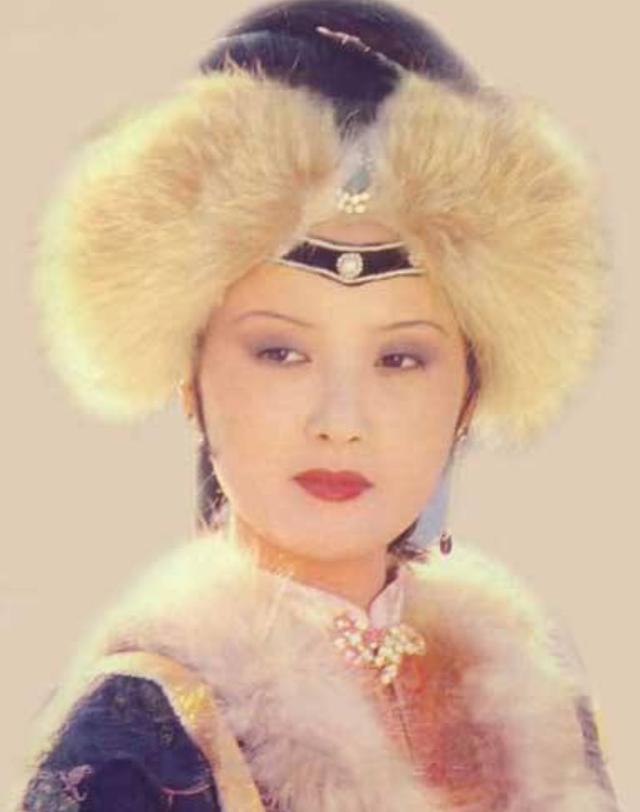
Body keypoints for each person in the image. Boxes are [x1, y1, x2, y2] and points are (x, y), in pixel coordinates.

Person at [8, 1, 620, 810]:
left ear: (469, 393)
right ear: (190, 377)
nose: (340, 421)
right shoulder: (144, 731)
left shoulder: (530, 704)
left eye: (400, 359)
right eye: (280, 353)